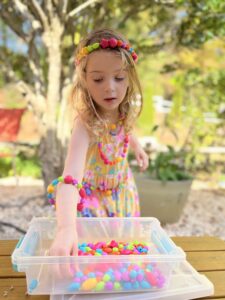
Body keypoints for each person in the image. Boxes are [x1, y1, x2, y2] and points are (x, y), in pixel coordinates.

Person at [48, 28, 149, 263]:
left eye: (119, 77)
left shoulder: (124, 112)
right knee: (95, 258)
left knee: (125, 255)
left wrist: (137, 147)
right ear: (84, 80)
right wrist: (65, 228)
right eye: (98, 78)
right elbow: (70, 178)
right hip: (93, 201)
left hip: (123, 193)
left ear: (130, 78)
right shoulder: (85, 124)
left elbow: (128, 130)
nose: (110, 87)